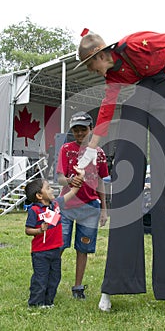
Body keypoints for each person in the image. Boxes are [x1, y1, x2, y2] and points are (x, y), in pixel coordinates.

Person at [75, 29, 165, 311]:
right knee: (132, 112)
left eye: (90, 65)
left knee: (163, 126)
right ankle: (116, 284)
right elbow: (107, 111)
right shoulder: (115, 77)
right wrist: (91, 150)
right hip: (150, 84)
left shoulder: (136, 44)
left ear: (101, 55)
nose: (92, 71)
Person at [56, 111, 109, 299]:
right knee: (59, 245)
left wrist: (104, 209)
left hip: (90, 208)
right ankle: (50, 281)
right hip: (67, 206)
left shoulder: (99, 153)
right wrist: (70, 180)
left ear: (91, 129)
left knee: (83, 248)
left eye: (83, 130)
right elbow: (60, 178)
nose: (79, 134)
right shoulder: (66, 149)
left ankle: (78, 287)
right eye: (76, 130)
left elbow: (102, 181)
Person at [25, 171, 84, 308]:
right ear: (39, 196)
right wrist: (39, 230)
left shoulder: (55, 205)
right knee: (40, 279)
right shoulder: (34, 210)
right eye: (48, 188)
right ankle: (35, 303)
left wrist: (79, 178)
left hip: (55, 250)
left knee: (54, 278)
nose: (52, 189)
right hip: (40, 252)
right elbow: (28, 230)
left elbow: (71, 193)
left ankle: (48, 302)